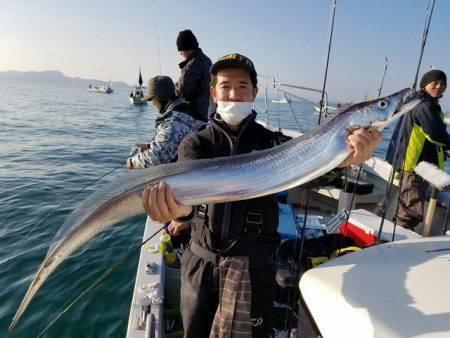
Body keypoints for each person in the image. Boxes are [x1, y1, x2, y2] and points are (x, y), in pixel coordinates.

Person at [142, 54, 382, 337]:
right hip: (201, 264)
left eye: (243, 86)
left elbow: (313, 170)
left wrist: (345, 158)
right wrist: (177, 211)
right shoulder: (195, 142)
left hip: (255, 267)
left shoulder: (273, 142)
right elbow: (188, 199)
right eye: (225, 86)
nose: (234, 94)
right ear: (213, 92)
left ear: (255, 92)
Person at [386, 69, 449, 230]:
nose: (439, 86)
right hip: (414, 168)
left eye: (442, 83)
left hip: (413, 165)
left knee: (407, 209)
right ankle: (398, 245)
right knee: (409, 213)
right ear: (424, 85)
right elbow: (436, 134)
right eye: (434, 83)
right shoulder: (425, 106)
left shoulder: (417, 102)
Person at [126, 75, 205, 169]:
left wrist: (132, 161)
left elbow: (156, 158)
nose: (153, 103)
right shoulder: (187, 112)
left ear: (160, 97)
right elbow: (176, 141)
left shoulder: (173, 123)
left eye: (152, 99)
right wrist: (149, 146)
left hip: (182, 176)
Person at [176, 29, 212, 121]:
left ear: (186, 48)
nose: (180, 53)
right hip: (205, 111)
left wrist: (172, 89)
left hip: (194, 115)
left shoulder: (193, 64)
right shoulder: (207, 60)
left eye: (180, 50)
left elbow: (182, 91)